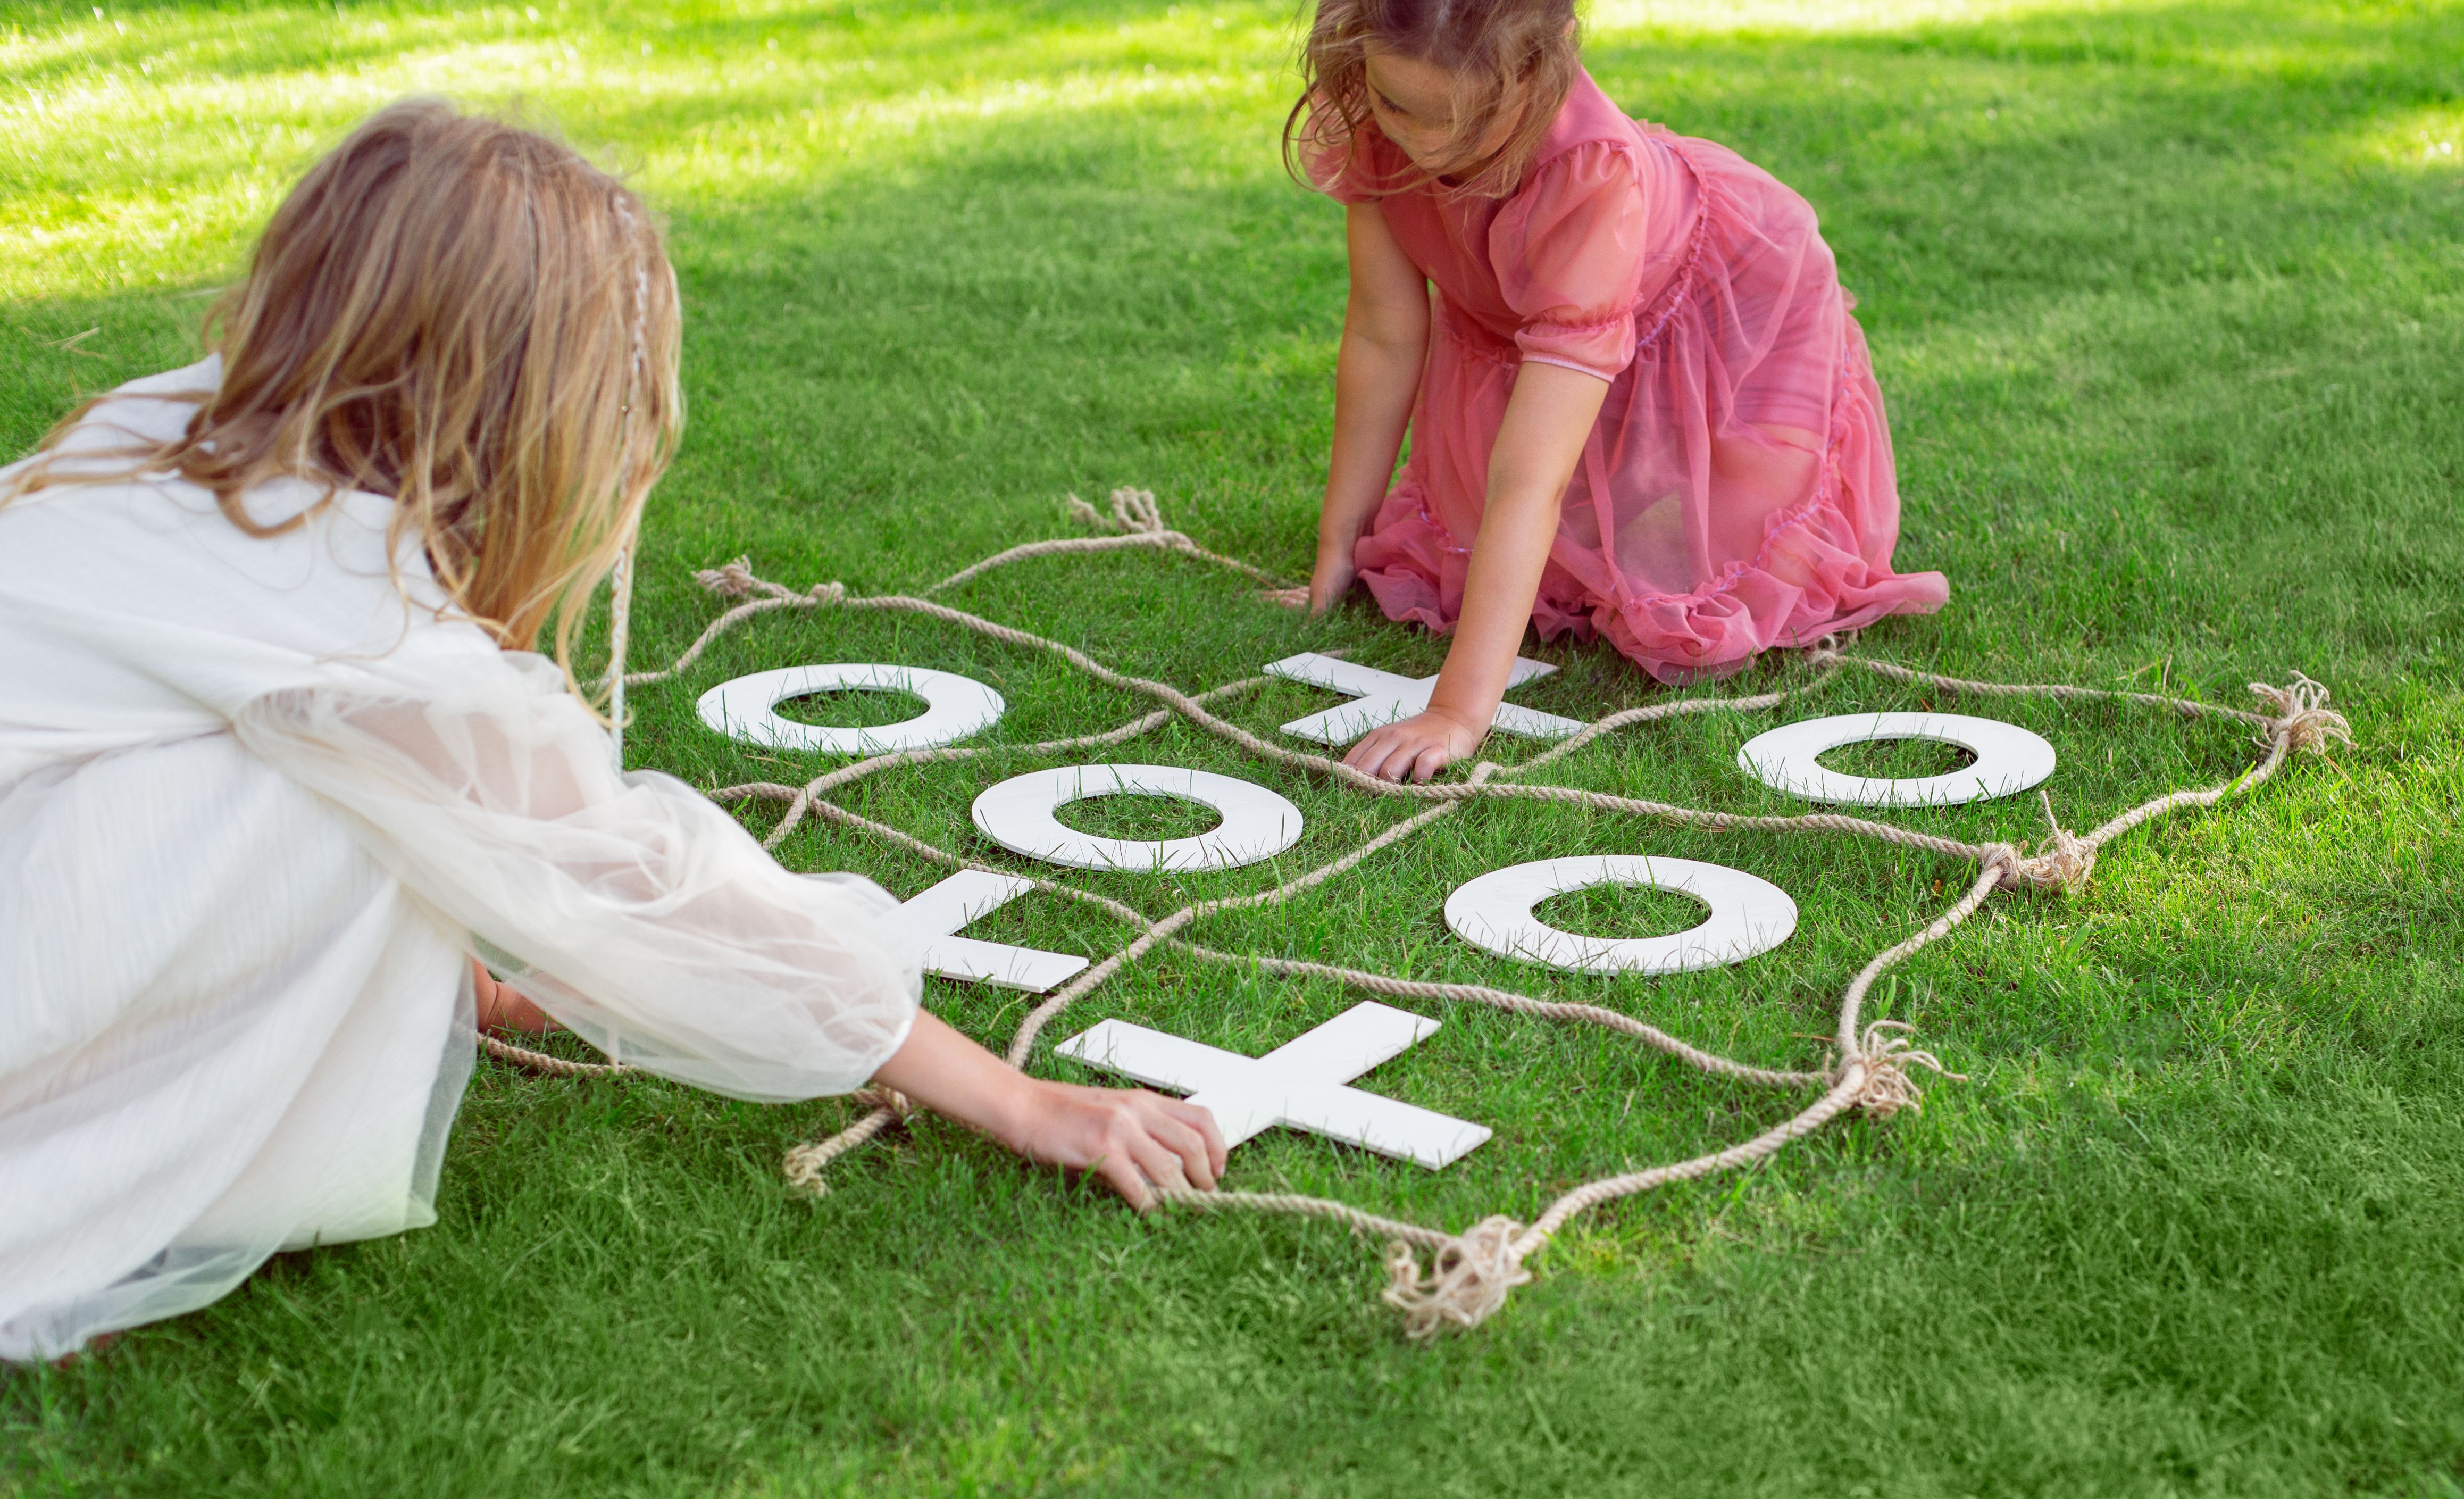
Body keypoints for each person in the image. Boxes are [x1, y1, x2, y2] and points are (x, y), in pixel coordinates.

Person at [0, 102, 1222, 1364]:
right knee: (317, 802)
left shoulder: (164, 423)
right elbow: (634, 879)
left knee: (335, 786)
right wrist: (1017, 1099)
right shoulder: (364, 631)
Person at [1289, 0, 1949, 783]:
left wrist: (1458, 710)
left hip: (1714, 301)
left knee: (1686, 562)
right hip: (1527, 311)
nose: (1425, 146)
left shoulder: (1591, 179)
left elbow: (1531, 479)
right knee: (1511, 555)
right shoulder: (1372, 106)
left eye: (1465, 124)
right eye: (1402, 107)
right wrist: (1336, 552)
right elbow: (1383, 334)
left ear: (1543, 67)